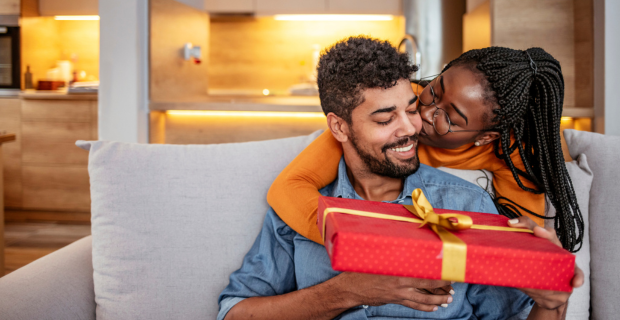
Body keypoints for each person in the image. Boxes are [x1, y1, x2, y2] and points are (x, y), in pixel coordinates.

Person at [218, 36, 582, 320]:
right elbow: (233, 312)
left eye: (410, 108)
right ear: (339, 127)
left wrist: (551, 298)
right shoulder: (299, 206)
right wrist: (350, 288)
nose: (415, 124)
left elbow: (520, 293)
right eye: (384, 118)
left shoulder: (470, 200)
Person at [267, 45, 584, 252]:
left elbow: (517, 243)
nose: (423, 115)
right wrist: (360, 240)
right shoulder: (399, 105)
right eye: (435, 91)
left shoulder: (510, 153)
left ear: (485, 138)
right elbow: (288, 188)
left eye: (449, 118)